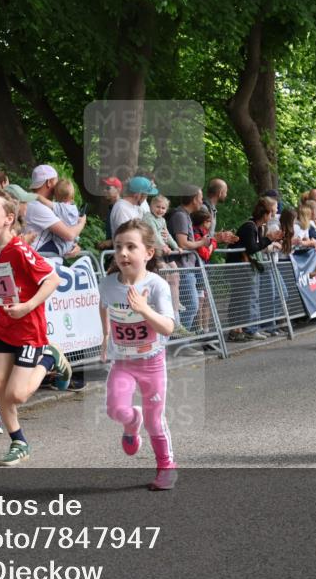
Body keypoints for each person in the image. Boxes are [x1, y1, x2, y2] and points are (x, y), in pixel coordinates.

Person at [0, 190, 72, 465]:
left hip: (28, 330)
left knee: (16, 394)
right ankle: (18, 442)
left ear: (9, 218)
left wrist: (26, 307)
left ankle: (49, 357)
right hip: (4, 327)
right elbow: (3, 291)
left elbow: (52, 280)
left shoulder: (20, 250)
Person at [99, 219, 178, 490]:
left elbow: (168, 326)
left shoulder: (156, 286)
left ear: (148, 253)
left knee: (156, 420)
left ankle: (166, 467)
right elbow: (103, 305)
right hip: (123, 362)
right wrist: (106, 335)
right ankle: (132, 424)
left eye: (131, 247)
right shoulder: (108, 284)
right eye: (118, 247)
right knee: (115, 410)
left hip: (152, 364)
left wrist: (144, 309)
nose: (122, 253)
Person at [226, 196, 281, 342]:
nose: (272, 216)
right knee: (244, 299)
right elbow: (252, 248)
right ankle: (244, 329)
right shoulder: (250, 227)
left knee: (244, 299)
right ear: (265, 214)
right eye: (270, 214)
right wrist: (269, 239)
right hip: (239, 269)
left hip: (243, 268)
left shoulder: (255, 227)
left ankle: (241, 329)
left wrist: (268, 239)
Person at [167, 188, 213, 330]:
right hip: (182, 268)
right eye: (200, 198)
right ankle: (180, 343)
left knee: (191, 305)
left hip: (188, 267)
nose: (202, 201)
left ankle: (182, 342)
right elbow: (182, 243)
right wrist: (202, 243)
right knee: (191, 305)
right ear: (193, 199)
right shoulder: (180, 215)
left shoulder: (185, 215)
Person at [23, 164, 87, 254]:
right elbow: (69, 235)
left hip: (44, 259)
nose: (58, 188)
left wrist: (72, 246)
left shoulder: (34, 203)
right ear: (49, 182)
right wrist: (82, 223)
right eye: (56, 183)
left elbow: (66, 233)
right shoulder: (38, 207)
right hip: (41, 261)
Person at [49, 178, 83, 257]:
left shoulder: (60, 207)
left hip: (59, 245)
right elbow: (76, 227)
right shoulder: (74, 209)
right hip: (69, 245)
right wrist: (75, 242)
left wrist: (37, 197)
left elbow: (48, 203)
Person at [202, 178, 239, 244]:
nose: (226, 195)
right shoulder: (204, 209)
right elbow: (200, 235)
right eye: (225, 192)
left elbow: (208, 233)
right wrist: (216, 239)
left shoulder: (211, 208)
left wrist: (221, 235)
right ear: (220, 193)